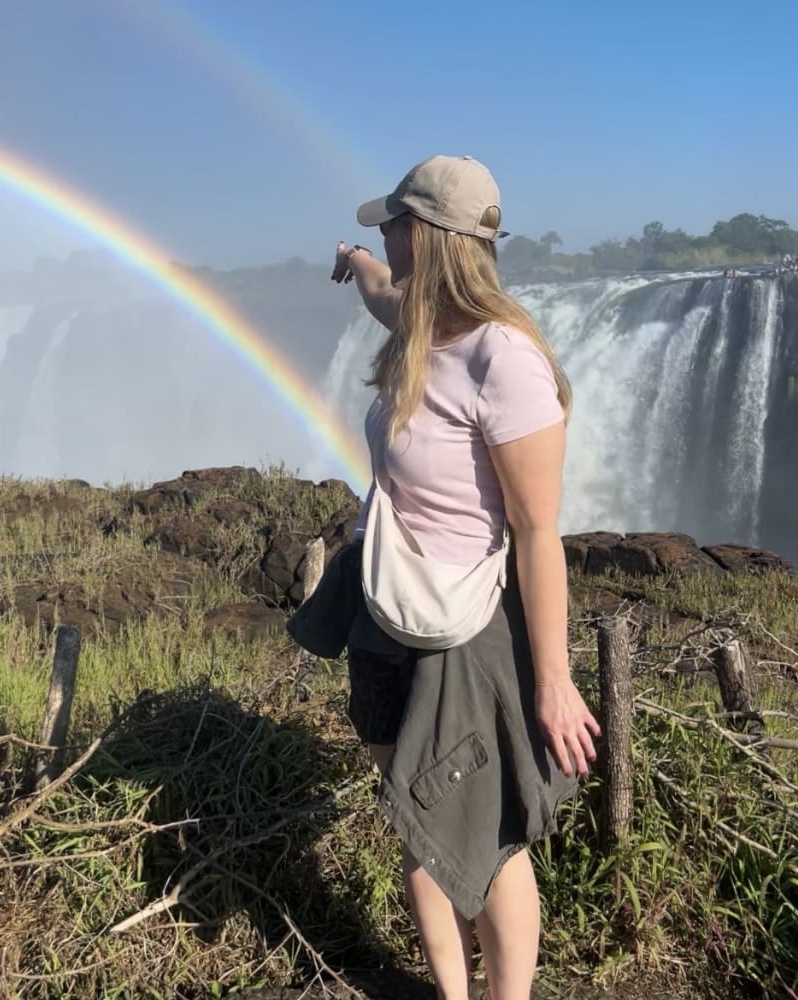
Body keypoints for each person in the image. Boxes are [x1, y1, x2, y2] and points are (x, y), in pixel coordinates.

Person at [324, 156, 600, 1000]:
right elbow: (378, 291)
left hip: (461, 632)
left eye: (390, 226)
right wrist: (355, 264)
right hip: (382, 618)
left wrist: (553, 681)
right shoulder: (413, 319)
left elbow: (536, 531)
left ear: (428, 235)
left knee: (490, 842)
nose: (383, 235)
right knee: (415, 820)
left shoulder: (502, 358)